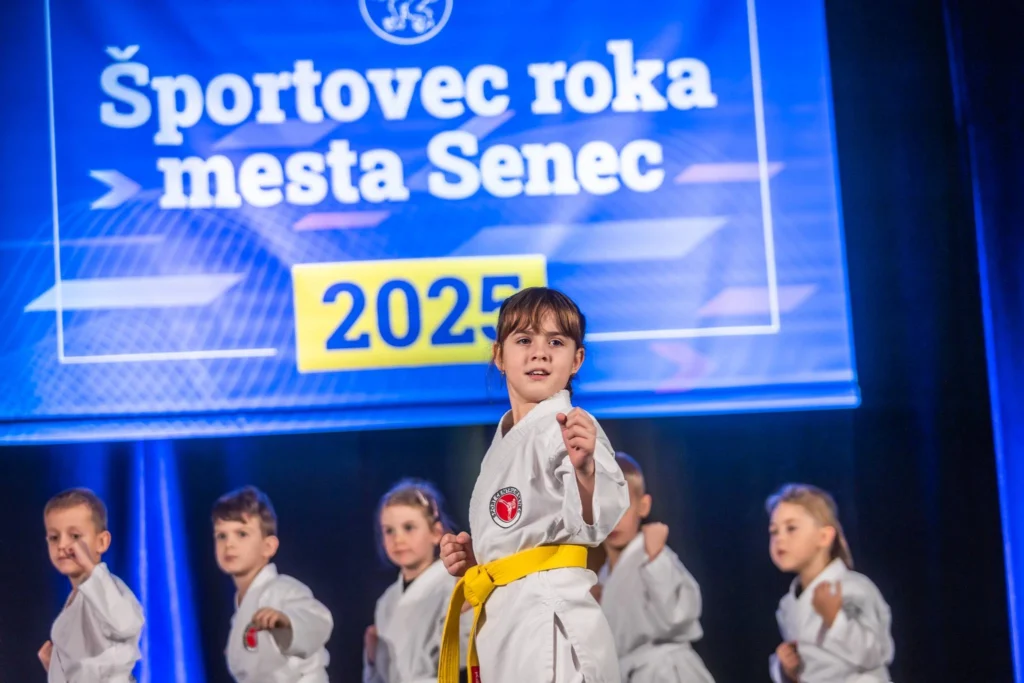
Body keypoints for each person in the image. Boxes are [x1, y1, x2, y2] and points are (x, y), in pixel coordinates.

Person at [438, 286, 630, 683]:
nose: (539, 353)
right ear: (499, 356)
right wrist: (482, 558)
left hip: (548, 625)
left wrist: (585, 472)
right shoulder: (506, 439)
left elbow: (596, 522)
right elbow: (528, 530)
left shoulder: (569, 427)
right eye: (524, 340)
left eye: (555, 342)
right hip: (509, 621)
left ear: (577, 360)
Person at [596, 453, 714, 683]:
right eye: (604, 507)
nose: (613, 519)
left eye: (622, 507)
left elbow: (677, 616)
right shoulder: (603, 577)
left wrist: (656, 560)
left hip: (666, 672)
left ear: (643, 506)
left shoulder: (654, 555)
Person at [767, 483, 894, 683]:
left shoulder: (854, 589)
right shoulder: (788, 605)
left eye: (791, 528)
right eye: (774, 531)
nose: (779, 539)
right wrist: (787, 669)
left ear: (824, 536)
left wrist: (835, 620)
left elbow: (876, 654)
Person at [213, 486, 333, 682]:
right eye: (221, 536)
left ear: (268, 546)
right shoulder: (240, 609)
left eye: (241, 534)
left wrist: (287, 622)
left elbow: (318, 621)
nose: (229, 544)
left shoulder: (283, 590)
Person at [364, 479, 470, 682]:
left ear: (436, 533)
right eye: (389, 530)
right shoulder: (387, 601)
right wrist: (372, 659)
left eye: (409, 527)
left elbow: (463, 655)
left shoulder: (452, 584)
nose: (398, 539)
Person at [39, 487, 144, 683]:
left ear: (102, 542)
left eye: (75, 536)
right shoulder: (76, 598)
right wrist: (54, 666)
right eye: (54, 537)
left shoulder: (109, 589)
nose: (62, 545)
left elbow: (126, 624)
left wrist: (89, 566)